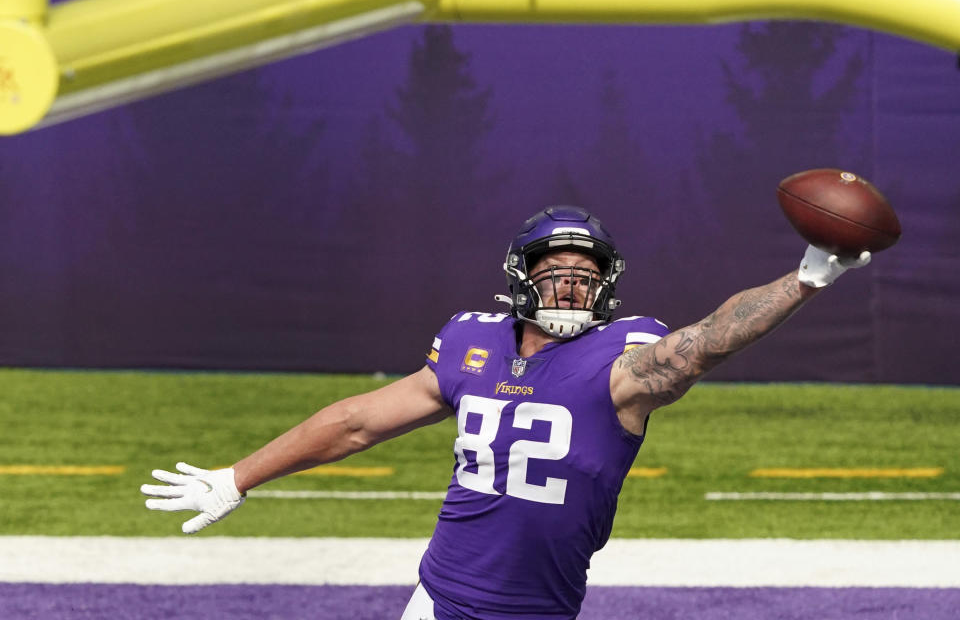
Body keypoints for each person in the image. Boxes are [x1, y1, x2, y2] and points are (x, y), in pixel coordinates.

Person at [141, 204, 870, 619]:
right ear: (521, 281)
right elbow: (359, 420)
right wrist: (239, 476)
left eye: (585, 279)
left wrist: (805, 280)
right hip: (436, 596)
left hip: (532, 614)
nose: (570, 290)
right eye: (554, 276)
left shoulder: (624, 359)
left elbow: (705, 343)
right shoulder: (469, 343)